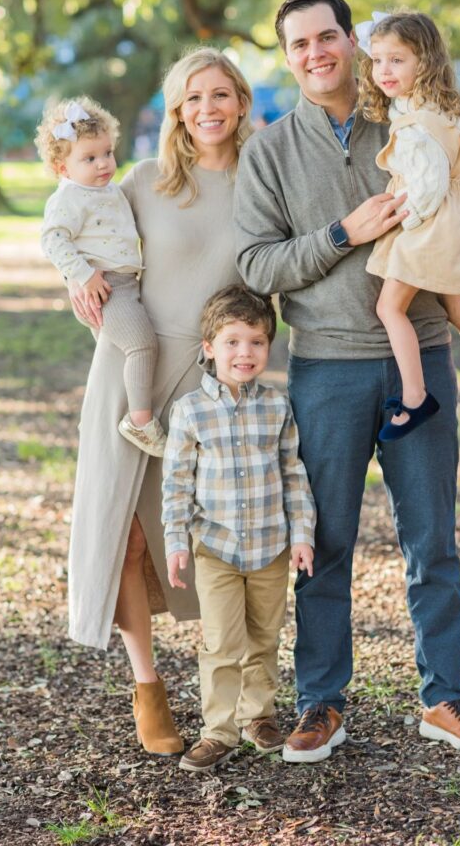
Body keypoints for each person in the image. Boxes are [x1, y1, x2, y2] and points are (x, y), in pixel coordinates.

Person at [234, 0, 460, 762]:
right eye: (299, 44)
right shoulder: (270, 151)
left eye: (328, 37)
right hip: (327, 369)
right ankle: (321, 702)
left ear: (352, 41)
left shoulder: (408, 116)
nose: (316, 53)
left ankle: (445, 697)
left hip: (423, 352)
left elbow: (457, 201)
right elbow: (256, 263)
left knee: (433, 540)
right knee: (324, 541)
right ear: (287, 57)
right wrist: (340, 234)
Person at [66, 48, 254, 755]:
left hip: (213, 381)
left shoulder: (263, 179)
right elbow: (82, 236)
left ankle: (231, 688)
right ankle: (147, 686)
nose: (207, 108)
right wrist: (78, 282)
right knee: (128, 531)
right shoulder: (143, 181)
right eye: (192, 98)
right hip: (132, 371)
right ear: (177, 109)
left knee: (214, 538)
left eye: (220, 94)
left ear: (240, 100)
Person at [161, 284, 316, 773]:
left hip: (271, 548)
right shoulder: (190, 411)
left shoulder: (277, 406)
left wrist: (302, 535)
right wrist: (175, 540)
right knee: (222, 644)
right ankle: (218, 731)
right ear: (209, 348)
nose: (245, 353)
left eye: (256, 342)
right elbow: (176, 483)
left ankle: (258, 716)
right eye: (232, 342)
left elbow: (293, 473)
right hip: (217, 549)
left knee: (264, 638)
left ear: (268, 345)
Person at [355, 10, 460, 441]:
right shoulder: (441, 109)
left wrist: (407, 222)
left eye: (397, 60)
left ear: (423, 62)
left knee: (389, 308)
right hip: (456, 218)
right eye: (377, 60)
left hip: (429, 224)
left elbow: (429, 184)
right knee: (456, 306)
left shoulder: (415, 126)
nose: (383, 70)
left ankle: (415, 397)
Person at [37, 96, 166, 456]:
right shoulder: (70, 198)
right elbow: (52, 239)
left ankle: (101, 418)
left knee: (116, 360)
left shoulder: (107, 189)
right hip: (106, 288)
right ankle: (140, 422)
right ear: (62, 168)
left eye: (107, 153)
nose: (104, 163)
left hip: (122, 284)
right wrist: (82, 275)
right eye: (89, 158)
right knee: (142, 345)